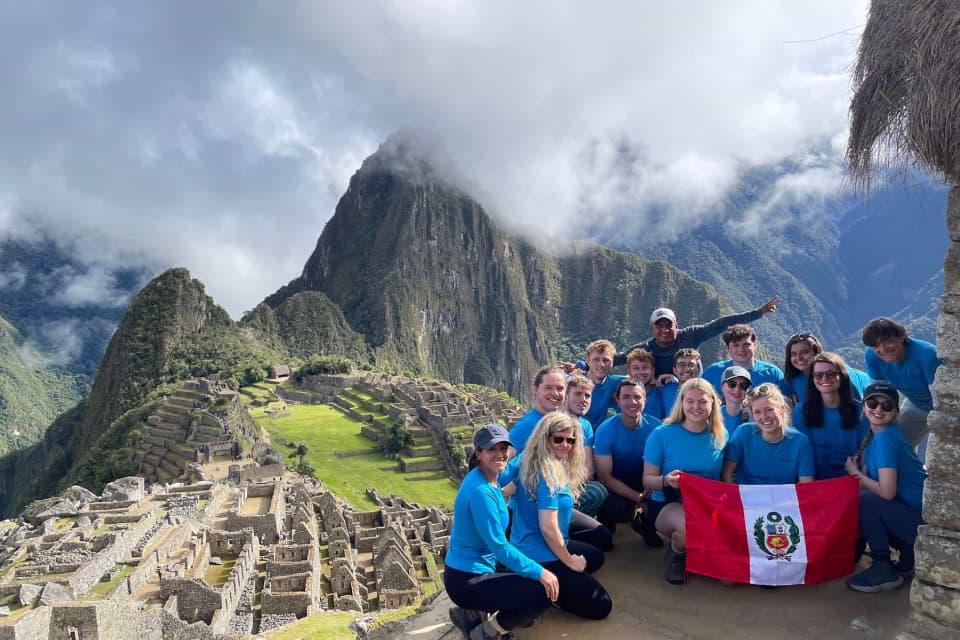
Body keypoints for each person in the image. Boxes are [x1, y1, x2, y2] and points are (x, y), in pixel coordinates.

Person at [445, 424, 559, 639]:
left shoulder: (488, 474)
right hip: (467, 581)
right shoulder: (481, 492)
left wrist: (542, 440)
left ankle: (471, 613)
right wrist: (541, 573)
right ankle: (486, 632)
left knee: (530, 576)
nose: (499, 455)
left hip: (469, 570)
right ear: (478, 453)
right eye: (491, 449)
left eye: (503, 448)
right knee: (543, 593)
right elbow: (499, 546)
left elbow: (515, 464)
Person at [508, 413, 613, 620]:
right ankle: (546, 593)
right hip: (540, 554)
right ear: (544, 438)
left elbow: (507, 487)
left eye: (571, 440)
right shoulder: (546, 473)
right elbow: (548, 527)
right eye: (558, 439)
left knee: (595, 557)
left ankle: (551, 581)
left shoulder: (528, 458)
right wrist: (569, 560)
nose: (565, 445)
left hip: (529, 544)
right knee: (601, 606)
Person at [642, 378, 727, 585]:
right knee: (690, 528)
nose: (696, 407)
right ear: (682, 402)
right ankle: (677, 552)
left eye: (702, 401)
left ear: (713, 403)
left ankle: (703, 551)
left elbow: (723, 479)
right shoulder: (662, 434)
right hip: (669, 503)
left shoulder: (721, 435)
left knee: (727, 580)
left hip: (706, 505)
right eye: (690, 401)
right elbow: (647, 480)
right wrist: (665, 480)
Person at [845, 382, 927, 593]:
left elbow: (887, 492)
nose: (879, 409)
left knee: (865, 502)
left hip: (919, 524)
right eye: (873, 402)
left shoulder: (885, 439)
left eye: (886, 406)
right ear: (864, 406)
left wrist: (856, 474)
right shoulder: (878, 438)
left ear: (896, 413)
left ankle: (883, 566)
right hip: (915, 516)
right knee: (865, 498)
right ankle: (908, 557)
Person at [613, 297, 780, 376]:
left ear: (676, 326)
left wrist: (758, 313)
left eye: (668, 325)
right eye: (659, 326)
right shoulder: (646, 349)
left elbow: (721, 324)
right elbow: (617, 359)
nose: (664, 330)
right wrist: (586, 365)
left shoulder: (690, 336)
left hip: (692, 386)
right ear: (652, 329)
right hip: (662, 390)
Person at [593, 378, 662, 546]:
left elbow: (664, 468)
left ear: (645, 400)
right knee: (613, 509)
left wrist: (648, 496)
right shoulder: (606, 430)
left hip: (648, 485)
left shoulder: (657, 428)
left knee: (655, 537)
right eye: (626, 397)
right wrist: (638, 498)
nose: (632, 402)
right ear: (617, 400)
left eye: (637, 397)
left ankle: (644, 522)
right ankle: (608, 524)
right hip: (618, 487)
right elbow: (605, 476)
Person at [862, 317, 942, 459]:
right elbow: (878, 391)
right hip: (915, 404)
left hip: (943, 407)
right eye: (876, 346)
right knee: (897, 447)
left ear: (901, 337)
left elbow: (939, 398)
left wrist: (942, 424)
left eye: (887, 342)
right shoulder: (873, 357)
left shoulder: (927, 355)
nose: (882, 349)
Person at [792, 353, 869, 480]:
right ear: (812, 378)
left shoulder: (860, 411)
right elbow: (802, 453)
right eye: (818, 375)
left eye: (831, 374)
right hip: (814, 482)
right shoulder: (801, 411)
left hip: (851, 480)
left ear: (842, 376)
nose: (824, 378)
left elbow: (864, 454)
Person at [722, 383, 815, 485]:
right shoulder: (743, 433)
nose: (764, 416)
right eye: (757, 412)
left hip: (784, 500)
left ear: (782, 409)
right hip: (746, 499)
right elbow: (727, 473)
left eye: (769, 409)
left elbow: (806, 484)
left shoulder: (800, 442)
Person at [563, 374, 615, 552]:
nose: (583, 399)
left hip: (571, 486)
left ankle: (570, 529)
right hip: (546, 491)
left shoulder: (584, 425)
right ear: (566, 396)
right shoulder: (550, 422)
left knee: (598, 491)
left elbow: (588, 469)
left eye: (587, 395)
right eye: (577, 394)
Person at [784, 332, 871, 403]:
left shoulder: (839, 374)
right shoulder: (795, 380)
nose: (799, 357)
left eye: (805, 352)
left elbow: (859, 407)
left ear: (816, 353)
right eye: (793, 354)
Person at [702, 324, 788, 396]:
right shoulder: (713, 373)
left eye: (746, 344)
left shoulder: (773, 374)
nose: (741, 349)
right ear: (727, 348)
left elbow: (786, 403)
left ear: (755, 346)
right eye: (736, 345)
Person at [508, 365, 566, 452]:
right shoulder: (525, 426)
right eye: (548, 388)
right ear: (536, 390)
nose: (555, 393)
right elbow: (505, 460)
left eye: (560, 388)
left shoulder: (566, 424)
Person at [581, 340, 626, 427]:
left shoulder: (615, 382)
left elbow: (640, 378)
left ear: (613, 362)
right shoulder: (574, 384)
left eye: (606, 360)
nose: (601, 364)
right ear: (588, 361)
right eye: (596, 359)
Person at [658, 348, 702, 416]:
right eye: (682, 365)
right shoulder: (665, 391)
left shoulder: (706, 393)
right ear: (674, 370)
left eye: (691, 365)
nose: (687, 369)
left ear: (698, 370)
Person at [626, 348, 665, 419]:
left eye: (645, 368)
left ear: (653, 371)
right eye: (636, 368)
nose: (641, 372)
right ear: (629, 371)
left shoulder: (662, 392)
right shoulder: (620, 392)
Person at [719, 366, 751, 437]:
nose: (737, 389)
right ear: (722, 387)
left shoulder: (754, 417)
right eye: (732, 384)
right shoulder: (712, 415)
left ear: (748, 389)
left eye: (743, 385)